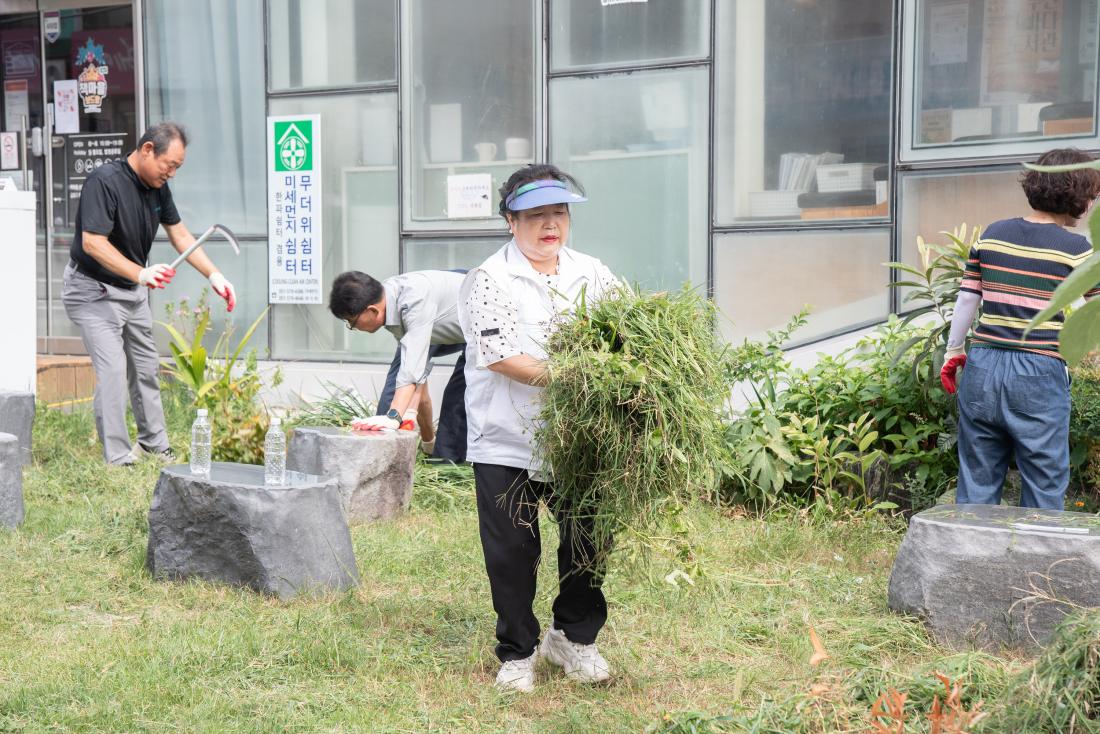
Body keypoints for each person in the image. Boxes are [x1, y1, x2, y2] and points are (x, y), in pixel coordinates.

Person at [458, 164, 620, 693]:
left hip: (580, 436)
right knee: (512, 550)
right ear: (511, 220)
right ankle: (518, 651)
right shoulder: (489, 278)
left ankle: (573, 638)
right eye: (535, 215)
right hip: (507, 437)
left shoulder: (593, 273)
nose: (549, 225)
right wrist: (579, 375)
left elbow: (625, 333)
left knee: (588, 540)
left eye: (558, 213)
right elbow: (503, 355)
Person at [62, 122, 237, 467]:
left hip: (131, 291)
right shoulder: (104, 182)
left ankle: (154, 445)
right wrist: (141, 272)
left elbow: (182, 236)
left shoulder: (158, 187)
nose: (172, 173)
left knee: (145, 368)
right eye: (169, 164)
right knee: (113, 370)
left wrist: (215, 275)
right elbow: (93, 243)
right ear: (146, 150)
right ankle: (117, 457)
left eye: (178, 168)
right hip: (92, 291)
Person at [940, 147, 1100, 509]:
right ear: (1076, 196)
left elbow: (967, 300)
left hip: (981, 365)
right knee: (1044, 479)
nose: (1091, 204)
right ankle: (1041, 564)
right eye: (1091, 195)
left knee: (978, 474)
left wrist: (953, 351)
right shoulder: (1077, 251)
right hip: (1038, 371)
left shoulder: (993, 235)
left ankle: (969, 558)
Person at [328, 269, 467, 462]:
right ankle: (389, 459)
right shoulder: (387, 300)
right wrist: (425, 438)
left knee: (458, 396)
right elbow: (417, 379)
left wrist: (394, 416)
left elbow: (411, 373)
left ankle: (448, 467)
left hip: (483, 324)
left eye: (351, 322)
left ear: (372, 310)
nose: (353, 328)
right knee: (395, 391)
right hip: (439, 325)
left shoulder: (413, 301)